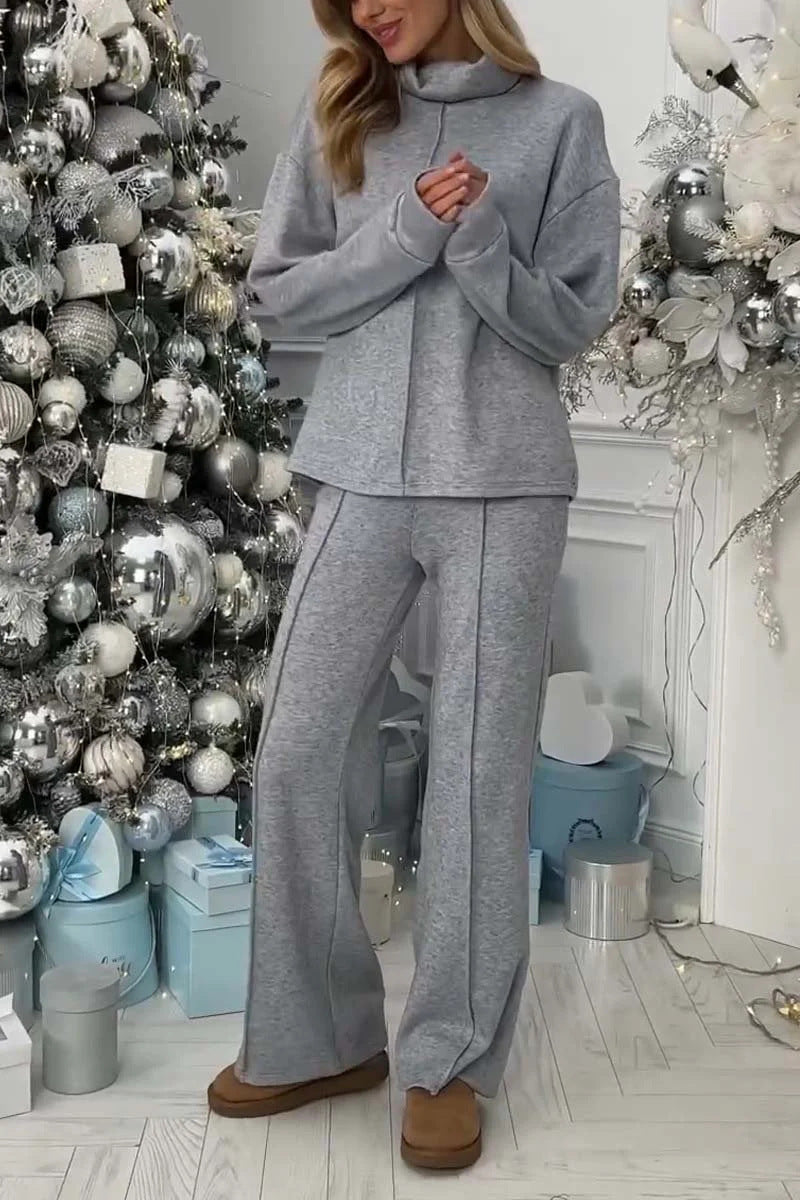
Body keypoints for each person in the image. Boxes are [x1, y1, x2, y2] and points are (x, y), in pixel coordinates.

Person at [208, 0, 620, 1171]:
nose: (366, 9)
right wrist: (401, 234)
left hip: (501, 478)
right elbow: (273, 295)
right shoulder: (343, 112)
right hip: (355, 468)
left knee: (477, 775)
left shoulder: (558, 122)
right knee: (294, 750)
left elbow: (570, 321)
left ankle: (447, 1060)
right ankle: (316, 1039)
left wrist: (479, 242)